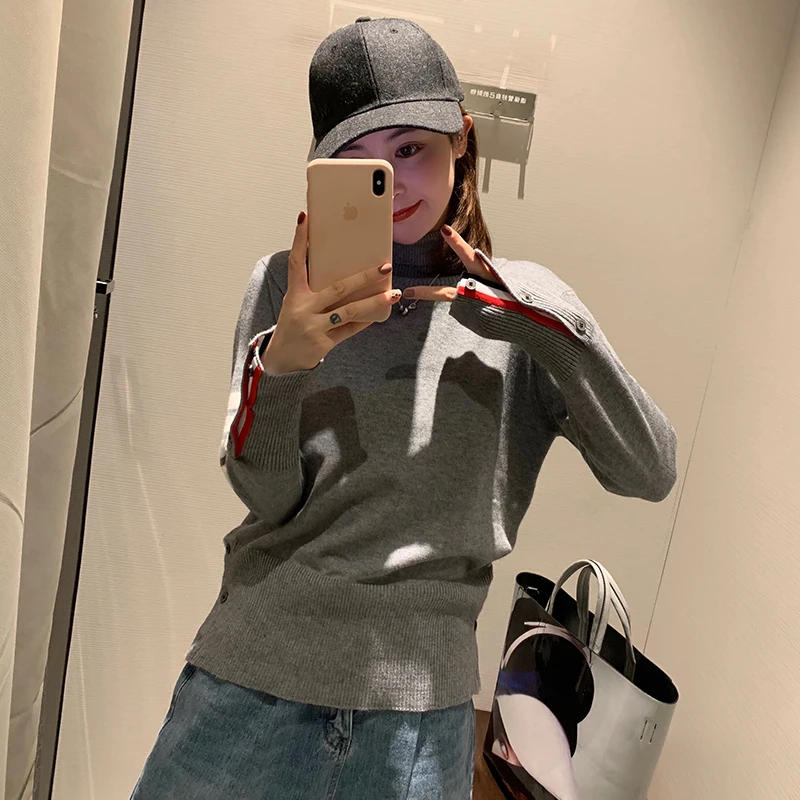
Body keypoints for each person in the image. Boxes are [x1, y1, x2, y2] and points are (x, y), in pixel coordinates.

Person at [130, 16, 677, 800]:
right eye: (357, 164)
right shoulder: (289, 285)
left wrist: (547, 331)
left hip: (420, 717)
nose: (392, 183)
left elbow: (648, 471)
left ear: (462, 140)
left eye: (411, 149)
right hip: (252, 684)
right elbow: (267, 497)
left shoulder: (527, 306)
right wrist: (281, 364)